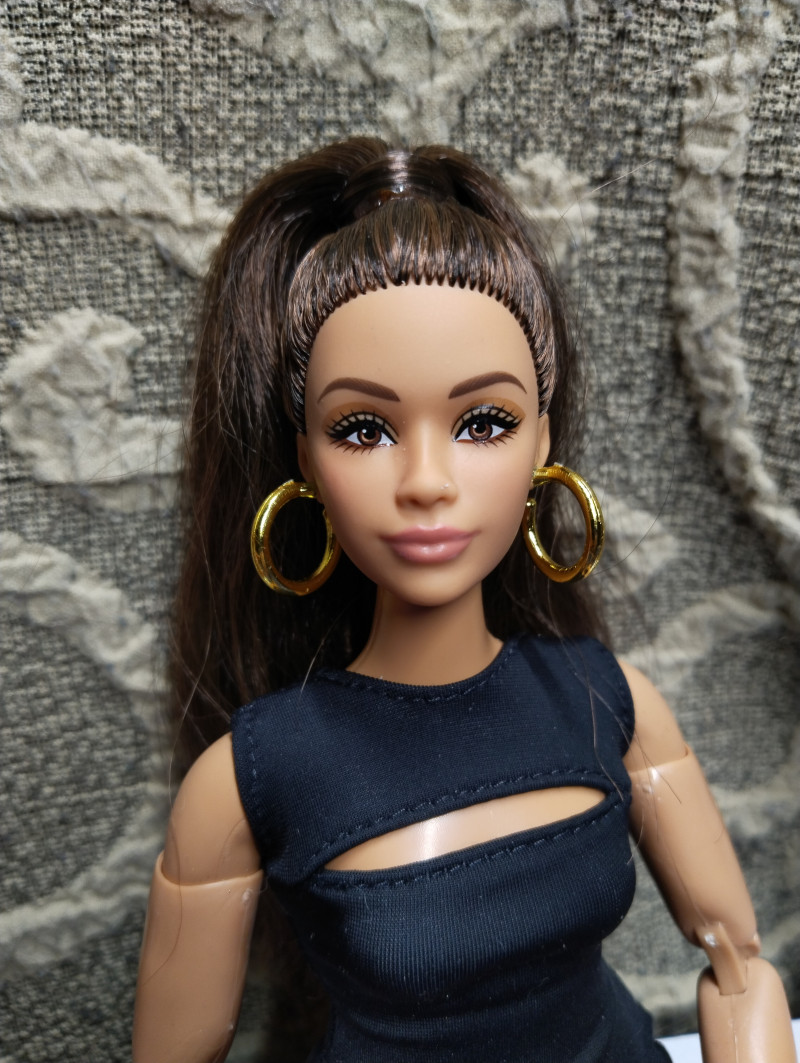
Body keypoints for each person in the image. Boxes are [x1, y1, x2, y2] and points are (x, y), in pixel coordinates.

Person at [132, 139, 796, 1063]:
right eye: (363, 428)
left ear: (542, 440)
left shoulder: (607, 702)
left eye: (484, 422)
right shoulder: (252, 777)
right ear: (305, 460)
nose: (427, 481)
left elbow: (740, 966)